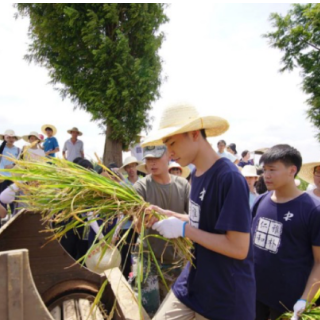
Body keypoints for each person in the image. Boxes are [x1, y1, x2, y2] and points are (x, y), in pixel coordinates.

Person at [141, 103, 255, 320]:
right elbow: (203, 222)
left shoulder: (228, 177)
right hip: (195, 280)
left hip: (224, 293)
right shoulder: (197, 174)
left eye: (172, 142)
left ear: (194, 134)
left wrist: (184, 229)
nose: (170, 151)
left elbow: (239, 247)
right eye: (167, 144)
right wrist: (171, 215)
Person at [252, 145, 320, 320]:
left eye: (272, 170)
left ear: (292, 170)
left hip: (287, 304)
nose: (266, 175)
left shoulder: (312, 210)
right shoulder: (261, 201)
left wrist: (304, 300)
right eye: (264, 169)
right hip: (254, 295)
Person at [133, 145, 191, 317]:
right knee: (148, 309)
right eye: (149, 159)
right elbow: (136, 226)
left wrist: (173, 220)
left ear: (169, 157)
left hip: (176, 258)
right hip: (148, 257)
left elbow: (194, 220)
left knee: (171, 312)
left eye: (156, 158)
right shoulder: (140, 187)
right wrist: (143, 219)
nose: (152, 163)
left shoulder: (183, 186)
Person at [0, 130, 21, 213]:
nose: (11, 139)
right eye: (9, 137)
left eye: (13, 137)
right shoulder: (1, 148)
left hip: (13, 177)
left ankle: (13, 216)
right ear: (4, 138)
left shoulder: (18, 150)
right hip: (2, 176)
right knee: (2, 198)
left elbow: (19, 161)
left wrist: (12, 165)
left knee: (13, 198)